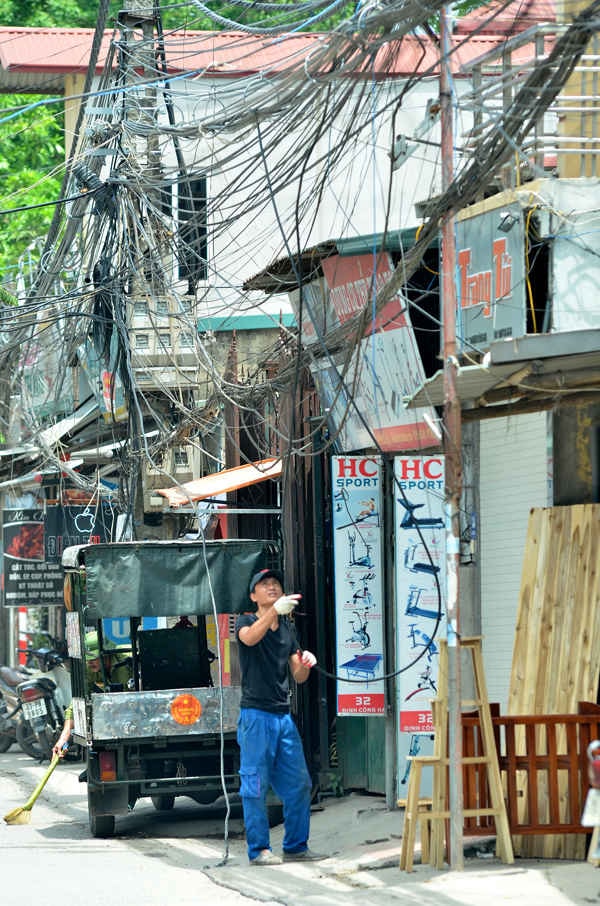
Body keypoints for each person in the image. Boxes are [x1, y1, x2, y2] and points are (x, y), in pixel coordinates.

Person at [236, 567, 324, 866]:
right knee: (255, 785)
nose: (272, 587)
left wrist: (307, 661)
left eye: (275, 583)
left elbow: (298, 676)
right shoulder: (247, 621)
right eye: (264, 584)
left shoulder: (287, 630)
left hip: (282, 717)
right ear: (253, 595)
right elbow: (249, 639)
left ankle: (296, 846)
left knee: (299, 783)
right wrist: (273, 612)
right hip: (255, 716)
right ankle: (259, 849)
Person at [52, 631, 132, 757]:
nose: (90, 662)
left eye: (93, 658)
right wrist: (63, 738)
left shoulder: (126, 661)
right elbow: (78, 699)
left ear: (106, 654)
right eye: (87, 659)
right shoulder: (89, 669)